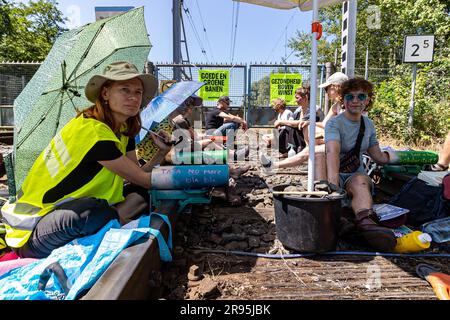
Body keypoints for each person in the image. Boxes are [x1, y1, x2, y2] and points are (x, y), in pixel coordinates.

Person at [0, 61, 172, 258]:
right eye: (125, 90)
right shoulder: (92, 132)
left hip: (85, 211)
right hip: (35, 229)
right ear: (105, 94)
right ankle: (115, 225)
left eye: (138, 92)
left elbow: (139, 177)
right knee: (91, 212)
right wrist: (193, 178)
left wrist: (160, 154)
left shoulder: (123, 132)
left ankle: (113, 225)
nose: (133, 98)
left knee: (138, 195)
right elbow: (144, 179)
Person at [325, 77, 398, 252]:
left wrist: (397, 157)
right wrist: (333, 188)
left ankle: (366, 224)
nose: (355, 101)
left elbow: (377, 155)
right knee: (319, 158)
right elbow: (332, 153)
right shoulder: (334, 123)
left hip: (353, 174)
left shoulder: (369, 124)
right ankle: (338, 218)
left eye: (361, 96)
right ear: (343, 100)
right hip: (331, 172)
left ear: (367, 100)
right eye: (350, 97)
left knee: (361, 182)